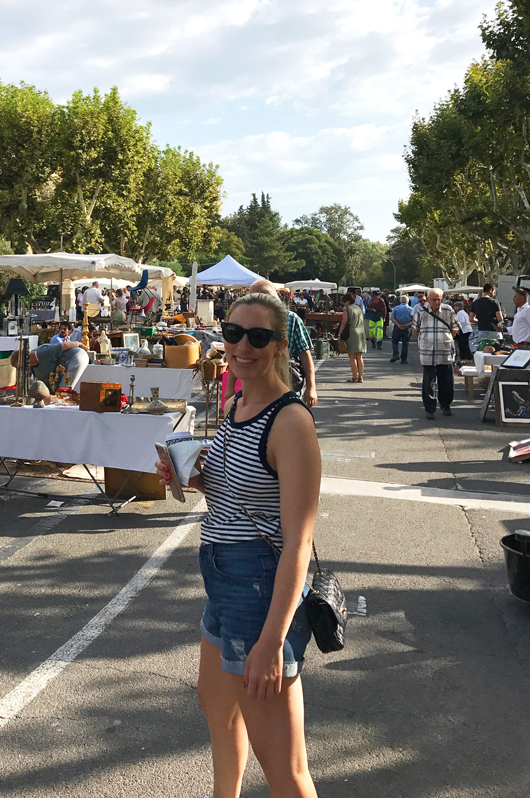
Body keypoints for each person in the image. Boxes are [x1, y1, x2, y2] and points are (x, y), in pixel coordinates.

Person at [155, 291, 321, 798]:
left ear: (278, 346)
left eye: (257, 336)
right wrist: (190, 478)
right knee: (219, 708)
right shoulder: (236, 402)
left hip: (259, 588)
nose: (241, 346)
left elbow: (298, 540)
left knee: (284, 766)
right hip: (222, 577)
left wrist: (272, 641)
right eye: (232, 333)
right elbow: (236, 489)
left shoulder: (290, 421)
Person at [225, 279, 318, 407]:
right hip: (252, 392)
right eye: (253, 297)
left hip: (284, 387)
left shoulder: (291, 319)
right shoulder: (244, 321)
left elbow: (305, 356)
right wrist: (229, 388)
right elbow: (237, 354)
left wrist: (311, 387)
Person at [413, 287, 459, 420]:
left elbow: (455, 328)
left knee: (446, 382)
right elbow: (415, 330)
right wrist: (425, 340)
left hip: (445, 352)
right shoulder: (421, 311)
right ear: (427, 299)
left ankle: (446, 406)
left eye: (439, 300)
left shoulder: (448, 310)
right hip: (428, 352)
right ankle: (430, 409)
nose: (437, 302)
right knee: (429, 383)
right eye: (434, 300)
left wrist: (445, 339)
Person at [11, 338, 89, 392]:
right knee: (57, 393)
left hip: (75, 357)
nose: (23, 369)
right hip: (63, 367)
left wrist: (78, 344)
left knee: (63, 391)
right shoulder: (32, 368)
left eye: (21, 367)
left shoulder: (41, 353)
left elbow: (63, 346)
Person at [338, 291, 366, 382]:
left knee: (352, 356)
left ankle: (354, 376)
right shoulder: (358, 308)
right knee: (359, 356)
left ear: (347, 301)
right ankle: (360, 377)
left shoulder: (347, 309)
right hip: (361, 332)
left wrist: (340, 333)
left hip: (352, 332)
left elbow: (344, 322)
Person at [389, 295, 414, 363]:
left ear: (400, 301)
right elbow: (413, 320)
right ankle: (404, 359)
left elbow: (392, 318)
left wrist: (398, 324)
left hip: (398, 326)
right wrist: (407, 325)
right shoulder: (411, 309)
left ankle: (396, 354)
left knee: (395, 341)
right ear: (408, 301)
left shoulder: (396, 308)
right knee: (405, 343)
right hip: (407, 327)